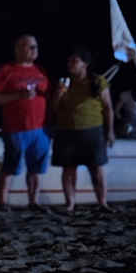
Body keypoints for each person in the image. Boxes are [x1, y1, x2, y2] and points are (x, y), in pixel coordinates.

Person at [0, 34, 51, 209]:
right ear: (18, 49)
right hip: (16, 128)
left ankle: (33, 201)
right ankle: (2, 202)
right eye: (29, 46)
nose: (34, 50)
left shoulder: (40, 71)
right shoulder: (7, 71)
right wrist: (18, 96)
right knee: (10, 166)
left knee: (36, 168)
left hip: (40, 129)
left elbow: (48, 96)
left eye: (35, 46)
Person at [50, 49, 113, 212]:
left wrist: (110, 131)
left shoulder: (97, 81)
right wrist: (59, 93)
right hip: (67, 131)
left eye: (75, 61)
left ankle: (103, 203)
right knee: (69, 169)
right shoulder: (64, 82)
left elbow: (108, 107)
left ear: (85, 64)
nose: (70, 64)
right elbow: (54, 108)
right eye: (69, 61)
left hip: (92, 131)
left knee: (96, 168)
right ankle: (70, 204)